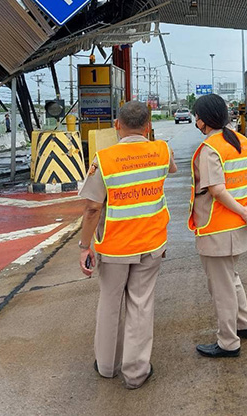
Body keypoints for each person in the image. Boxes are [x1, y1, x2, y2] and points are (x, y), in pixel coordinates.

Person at [77, 101, 177, 389]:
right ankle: (135, 372)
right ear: (148, 126)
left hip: (114, 247)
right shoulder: (162, 150)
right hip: (151, 243)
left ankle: (107, 366)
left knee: (110, 303)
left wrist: (85, 246)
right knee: (141, 305)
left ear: (117, 125)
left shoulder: (104, 159)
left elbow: (92, 208)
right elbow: (171, 168)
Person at [189, 94, 247, 358]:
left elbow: (217, 190)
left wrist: (243, 210)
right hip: (240, 225)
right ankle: (245, 324)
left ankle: (228, 342)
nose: (196, 121)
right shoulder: (243, 142)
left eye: (197, 117)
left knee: (221, 288)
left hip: (218, 228)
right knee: (231, 277)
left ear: (204, 120)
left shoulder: (211, 148)